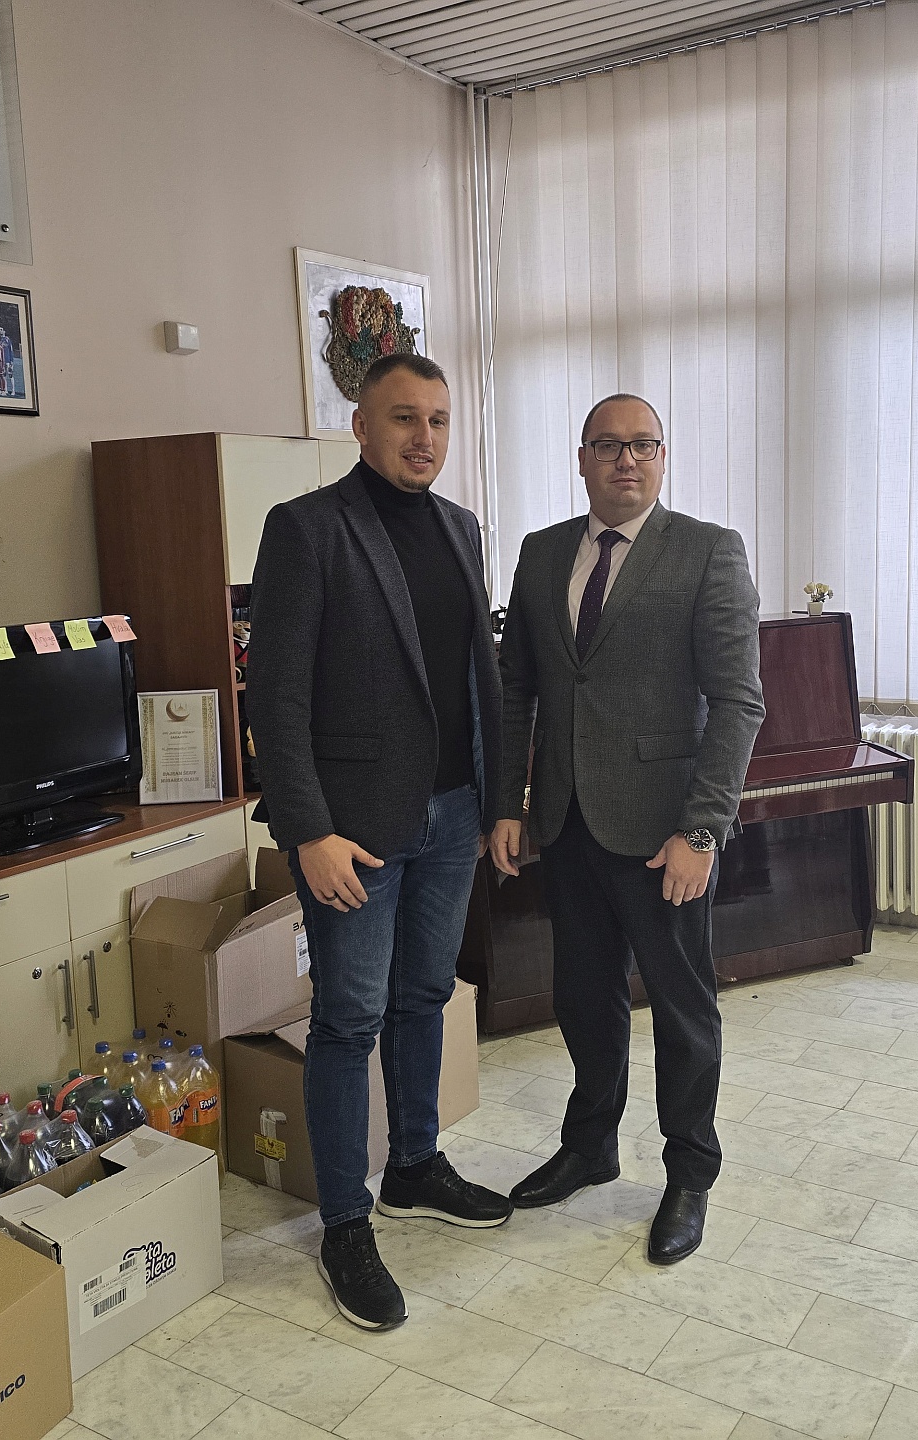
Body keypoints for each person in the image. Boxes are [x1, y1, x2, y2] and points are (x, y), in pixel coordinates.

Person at [246, 352, 513, 1331]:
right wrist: (308, 830)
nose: (424, 436)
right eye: (404, 417)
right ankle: (345, 1222)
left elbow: (478, 679)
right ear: (360, 426)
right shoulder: (307, 529)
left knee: (425, 996)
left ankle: (413, 1165)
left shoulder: (460, 528)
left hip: (452, 815)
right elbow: (274, 696)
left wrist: (499, 800)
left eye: (438, 419)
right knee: (348, 1018)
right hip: (351, 833)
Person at [492, 394, 764, 1266]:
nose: (626, 460)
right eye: (608, 445)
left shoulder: (708, 550)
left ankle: (689, 1173)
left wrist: (703, 831)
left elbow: (738, 702)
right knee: (583, 996)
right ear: (582, 458)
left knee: (682, 1008)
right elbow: (516, 689)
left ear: (663, 456)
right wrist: (509, 804)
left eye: (643, 445)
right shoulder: (542, 553)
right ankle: (590, 1146)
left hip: (663, 834)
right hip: (566, 823)